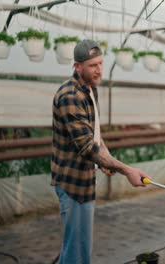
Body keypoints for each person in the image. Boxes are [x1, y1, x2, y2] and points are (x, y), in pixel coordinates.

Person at [51, 39, 149, 264]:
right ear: (77, 67)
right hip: (70, 182)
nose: (99, 70)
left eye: (101, 63)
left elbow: (95, 136)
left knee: (84, 249)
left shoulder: (90, 90)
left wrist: (106, 160)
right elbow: (87, 146)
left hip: (85, 181)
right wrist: (127, 170)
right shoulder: (70, 96)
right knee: (73, 252)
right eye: (93, 65)